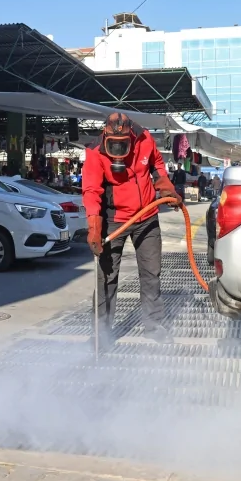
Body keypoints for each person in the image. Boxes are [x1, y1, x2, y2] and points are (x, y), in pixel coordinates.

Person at [82, 113, 182, 345]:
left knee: (151, 274)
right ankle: (101, 333)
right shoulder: (95, 152)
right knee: (106, 277)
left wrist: (166, 188)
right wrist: (94, 225)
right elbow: (91, 190)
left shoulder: (145, 138)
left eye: (123, 144)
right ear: (105, 136)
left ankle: (154, 326)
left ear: (132, 137)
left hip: (147, 216)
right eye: (113, 145)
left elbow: (157, 165)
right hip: (114, 219)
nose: (118, 149)